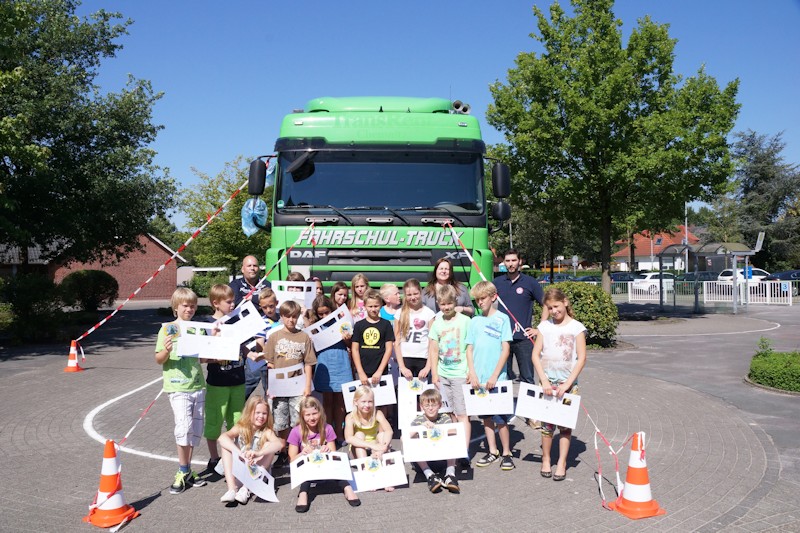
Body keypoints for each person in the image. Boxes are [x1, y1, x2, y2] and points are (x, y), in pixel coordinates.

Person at [154, 287, 208, 494]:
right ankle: (182, 469)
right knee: (183, 428)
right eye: (185, 305)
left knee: (194, 431)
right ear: (176, 307)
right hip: (178, 387)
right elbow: (159, 359)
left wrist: (220, 351)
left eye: (193, 305)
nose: (190, 309)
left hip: (197, 385)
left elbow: (201, 357)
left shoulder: (197, 328)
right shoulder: (167, 329)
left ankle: (187, 470)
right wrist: (166, 350)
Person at [531, 287, 587, 481]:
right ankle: (546, 459)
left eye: (556, 306)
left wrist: (567, 384)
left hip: (567, 385)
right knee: (547, 427)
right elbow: (535, 355)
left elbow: (581, 358)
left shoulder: (576, 327)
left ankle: (562, 462)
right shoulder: (544, 327)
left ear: (565, 302)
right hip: (547, 383)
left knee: (564, 427)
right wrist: (544, 380)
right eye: (550, 308)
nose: (554, 311)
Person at [465, 281, 515, 471]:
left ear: (493, 297)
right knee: (485, 416)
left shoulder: (502, 319)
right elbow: (469, 349)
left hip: (497, 379)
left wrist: (495, 375)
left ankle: (506, 452)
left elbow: (505, 349)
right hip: (479, 379)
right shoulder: (475, 321)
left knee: (501, 419)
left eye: (483, 298)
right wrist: (473, 373)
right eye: (477, 300)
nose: (480, 303)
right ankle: (492, 450)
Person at [256, 300, 316, 450]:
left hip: (298, 386)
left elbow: (308, 363)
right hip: (280, 387)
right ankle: (283, 450)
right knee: (280, 421)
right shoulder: (275, 337)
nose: (291, 320)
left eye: (294, 316)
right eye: (287, 316)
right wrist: (272, 387)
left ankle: (297, 449)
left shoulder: (304, 337)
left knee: (297, 419)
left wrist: (307, 386)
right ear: (281, 316)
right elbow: (270, 363)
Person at [288, 397, 361, 512]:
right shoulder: (296, 431)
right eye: (307, 415)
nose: (312, 418)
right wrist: (302, 453)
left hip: (325, 466)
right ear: (302, 416)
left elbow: (334, 455)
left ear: (320, 413)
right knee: (305, 475)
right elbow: (292, 460)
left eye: (314, 413)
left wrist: (327, 449)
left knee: (339, 466)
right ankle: (303, 493)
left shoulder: (327, 428)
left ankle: (347, 488)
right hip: (308, 468)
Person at [203, 284, 246, 473]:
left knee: (236, 421)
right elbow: (202, 357)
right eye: (228, 302)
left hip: (238, 379)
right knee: (214, 420)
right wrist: (217, 357)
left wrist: (252, 354)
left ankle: (233, 455)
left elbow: (244, 345)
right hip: (217, 382)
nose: (232, 304)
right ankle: (214, 458)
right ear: (216, 303)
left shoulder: (236, 320)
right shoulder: (206, 324)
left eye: (232, 300)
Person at [428, 284, 472, 464]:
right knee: (450, 413)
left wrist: (470, 371)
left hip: (460, 373)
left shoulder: (465, 321)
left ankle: (464, 451)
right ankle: (454, 446)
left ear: (455, 302)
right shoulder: (437, 323)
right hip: (443, 373)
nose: (446, 307)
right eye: (442, 304)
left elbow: (470, 347)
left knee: (462, 414)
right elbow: (433, 350)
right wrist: (434, 374)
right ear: (438, 304)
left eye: (449, 304)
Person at [493, 249, 549, 387]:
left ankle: (527, 408)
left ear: (520, 262)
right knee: (502, 379)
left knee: (527, 379)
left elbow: (547, 305)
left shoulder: (530, 282)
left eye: (513, 260)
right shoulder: (497, 282)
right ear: (504, 263)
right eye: (507, 261)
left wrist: (539, 328)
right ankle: (504, 407)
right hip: (502, 338)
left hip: (524, 339)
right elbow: (485, 302)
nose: (511, 264)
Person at [217, 395, 283, 505]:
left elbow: (279, 444)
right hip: (239, 472)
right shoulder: (241, 427)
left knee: (269, 445)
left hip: (256, 474)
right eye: (257, 413)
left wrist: (258, 453)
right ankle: (232, 489)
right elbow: (222, 437)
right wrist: (240, 453)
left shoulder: (267, 431)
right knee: (227, 445)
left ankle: (246, 489)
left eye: (264, 413)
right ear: (249, 412)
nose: (261, 416)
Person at [308, 295, 353, 442]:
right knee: (327, 401)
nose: (324, 316)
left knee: (340, 401)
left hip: (341, 362)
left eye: (326, 312)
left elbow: (350, 344)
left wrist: (347, 339)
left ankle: (339, 433)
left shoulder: (341, 322)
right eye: (320, 313)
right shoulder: (313, 327)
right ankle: (329, 434)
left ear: (331, 309)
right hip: (324, 363)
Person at [344, 386, 394, 491]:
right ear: (356, 402)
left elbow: (389, 431)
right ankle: (367, 475)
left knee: (382, 435)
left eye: (370, 402)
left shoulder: (377, 413)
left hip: (375, 448)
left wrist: (383, 446)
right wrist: (372, 446)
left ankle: (385, 475)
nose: (367, 405)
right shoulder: (350, 417)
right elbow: (348, 438)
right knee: (359, 435)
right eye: (363, 402)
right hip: (358, 450)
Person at [411, 388, 460, 494]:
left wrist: (437, 428)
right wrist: (420, 428)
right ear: (421, 407)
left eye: (433, 405)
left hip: (442, 459)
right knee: (411, 438)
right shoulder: (418, 420)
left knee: (453, 436)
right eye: (427, 406)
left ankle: (450, 474)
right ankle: (429, 475)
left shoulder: (445, 418)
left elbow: (453, 432)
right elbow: (406, 437)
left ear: (440, 405)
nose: (430, 408)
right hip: (423, 461)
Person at [351, 289, 394, 386]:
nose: (373, 309)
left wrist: (379, 371)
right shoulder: (359, 325)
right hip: (363, 372)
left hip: (381, 371)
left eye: (376, 306)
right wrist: (360, 372)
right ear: (365, 306)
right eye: (370, 306)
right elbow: (355, 349)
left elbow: (389, 349)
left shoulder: (386, 324)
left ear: (381, 306)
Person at [395, 278, 435, 380]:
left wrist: (428, 366)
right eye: (409, 295)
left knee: (423, 394)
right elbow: (397, 340)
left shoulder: (429, 313)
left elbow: (432, 342)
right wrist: (402, 367)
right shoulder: (400, 313)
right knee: (406, 394)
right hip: (405, 358)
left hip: (423, 358)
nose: (413, 297)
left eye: (415, 294)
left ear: (420, 292)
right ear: (405, 295)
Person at [245, 287, 280, 399]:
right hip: (267, 363)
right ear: (260, 306)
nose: (269, 310)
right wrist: (270, 357)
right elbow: (260, 346)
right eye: (264, 307)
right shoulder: (261, 323)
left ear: (276, 303)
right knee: (267, 390)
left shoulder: (282, 319)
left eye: (271, 306)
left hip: (282, 361)